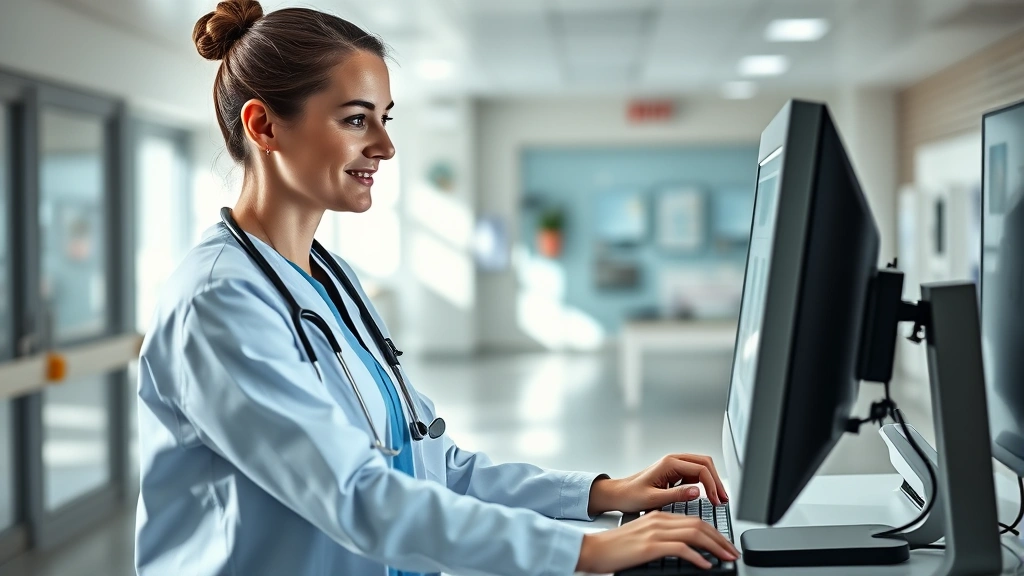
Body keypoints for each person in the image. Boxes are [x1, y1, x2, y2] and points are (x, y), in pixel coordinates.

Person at [134, 1, 740, 574]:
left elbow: (428, 463)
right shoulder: (218, 302)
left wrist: (604, 493)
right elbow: (354, 497)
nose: (385, 146)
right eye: (355, 120)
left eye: (385, 119)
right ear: (264, 126)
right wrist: (586, 549)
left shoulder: (330, 281)